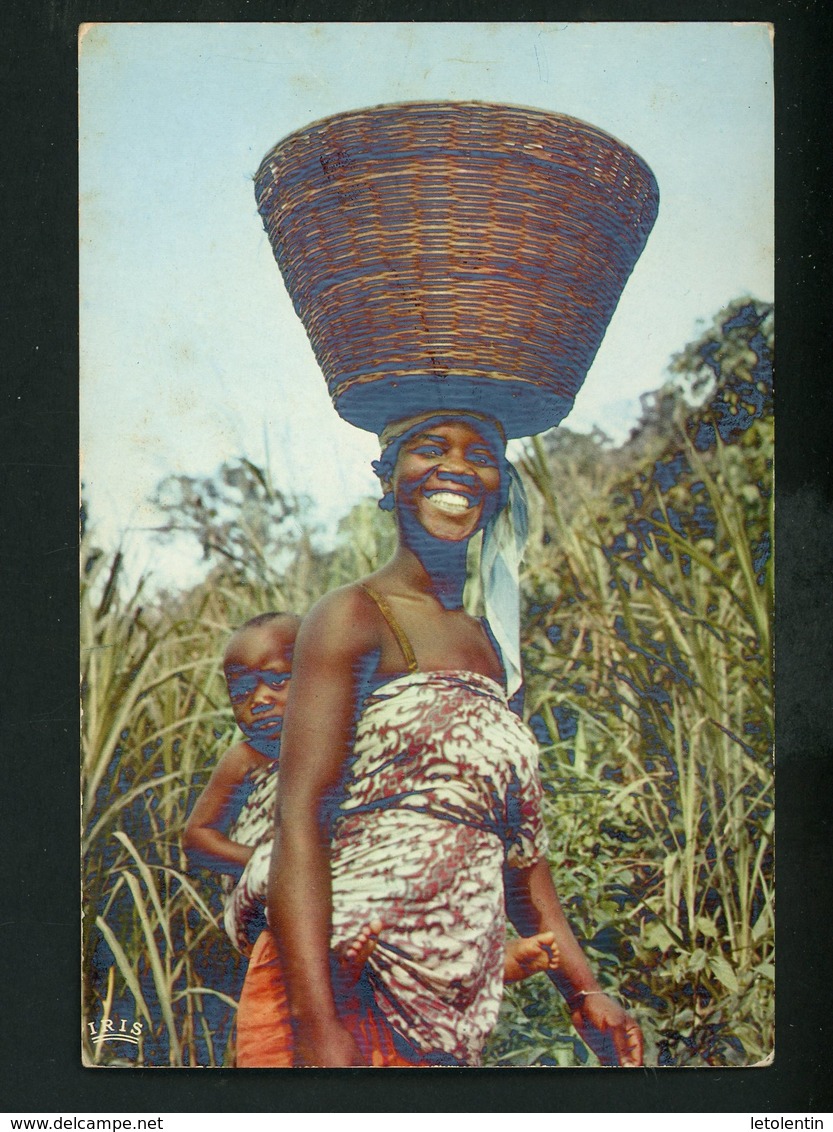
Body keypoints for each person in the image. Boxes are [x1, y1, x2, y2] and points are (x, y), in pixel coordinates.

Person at [258, 411, 643, 1068]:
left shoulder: (491, 647)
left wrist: (583, 992)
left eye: (481, 454)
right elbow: (299, 818)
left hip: (442, 998)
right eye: (430, 448)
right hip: (339, 980)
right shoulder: (352, 616)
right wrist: (317, 1022)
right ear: (388, 480)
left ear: (498, 485)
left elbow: (521, 856)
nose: (458, 468)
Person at [186, 608, 559, 1061]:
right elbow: (198, 835)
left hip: (367, 901)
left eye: (278, 681)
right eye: (243, 692)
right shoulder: (245, 759)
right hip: (289, 910)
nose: (259, 700)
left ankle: (484, 961)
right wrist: (272, 863)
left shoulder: (357, 738)